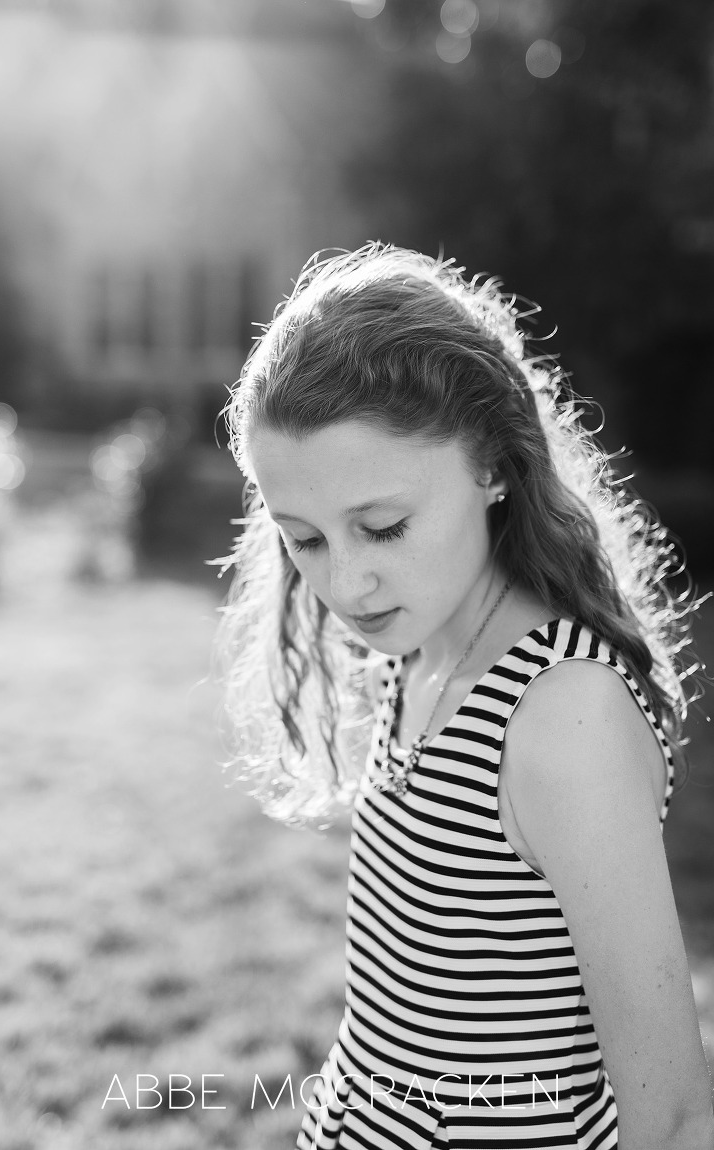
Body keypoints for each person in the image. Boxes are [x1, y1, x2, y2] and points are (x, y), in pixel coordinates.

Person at [210, 242, 714, 1150]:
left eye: (383, 527)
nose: (346, 585)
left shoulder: (562, 715)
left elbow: (673, 1115)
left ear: (491, 464)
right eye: (304, 538)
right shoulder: (420, 646)